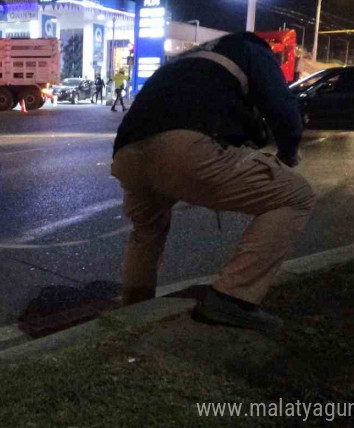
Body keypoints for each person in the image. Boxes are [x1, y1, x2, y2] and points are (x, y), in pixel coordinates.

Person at [110, 32, 315, 332]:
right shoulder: (251, 51)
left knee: (147, 229)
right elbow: (281, 107)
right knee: (296, 196)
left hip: (127, 153)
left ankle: (135, 309)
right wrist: (288, 150)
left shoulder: (184, 62)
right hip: (186, 146)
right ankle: (232, 298)